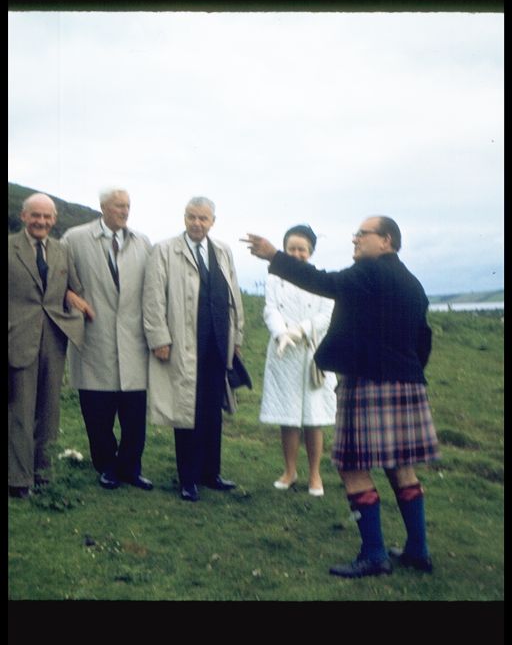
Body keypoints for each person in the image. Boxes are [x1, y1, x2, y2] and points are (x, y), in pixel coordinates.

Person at [243, 215, 440, 578]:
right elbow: (423, 338)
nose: (354, 240)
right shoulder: (413, 283)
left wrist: (275, 255)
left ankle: (374, 555)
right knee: (402, 467)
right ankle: (418, 550)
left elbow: (322, 282)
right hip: (408, 383)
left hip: (368, 382)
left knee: (353, 467)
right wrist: (409, 374)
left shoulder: (368, 272)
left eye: (361, 234)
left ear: (386, 241)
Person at [143, 197, 244, 502]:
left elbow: (234, 294)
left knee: (213, 411)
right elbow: (153, 296)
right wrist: (159, 336)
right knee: (186, 411)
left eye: (203, 218)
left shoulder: (223, 250)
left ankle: (210, 474)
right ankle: (188, 479)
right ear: (184, 217)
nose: (197, 223)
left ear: (213, 221)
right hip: (184, 343)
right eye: (192, 217)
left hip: (217, 344)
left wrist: (236, 336)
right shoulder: (165, 249)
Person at [61, 188, 153, 491]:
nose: (124, 211)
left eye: (128, 205)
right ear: (102, 207)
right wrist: (72, 297)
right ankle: (107, 466)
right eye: (118, 206)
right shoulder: (75, 239)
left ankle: (131, 468)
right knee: (98, 414)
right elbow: (56, 277)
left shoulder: (142, 243)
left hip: (134, 342)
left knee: (134, 416)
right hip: (94, 338)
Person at [8, 193, 93, 499]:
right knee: (20, 409)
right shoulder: (10, 247)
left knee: (49, 410)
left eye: (46, 217)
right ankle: (18, 481)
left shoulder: (61, 251)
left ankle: (43, 474)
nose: (41, 222)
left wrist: (72, 297)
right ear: (23, 216)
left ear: (54, 220)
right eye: (35, 216)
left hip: (53, 340)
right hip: (16, 339)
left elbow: (74, 286)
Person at [260, 224, 336, 496]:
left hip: (314, 351)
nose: (296, 253)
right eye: (291, 248)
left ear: (311, 252)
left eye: (301, 249)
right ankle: (290, 470)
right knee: (288, 416)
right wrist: (281, 333)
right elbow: (270, 309)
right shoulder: (274, 278)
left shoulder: (320, 279)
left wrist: (301, 330)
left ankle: (315, 474)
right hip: (285, 351)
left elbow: (327, 314)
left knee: (314, 417)